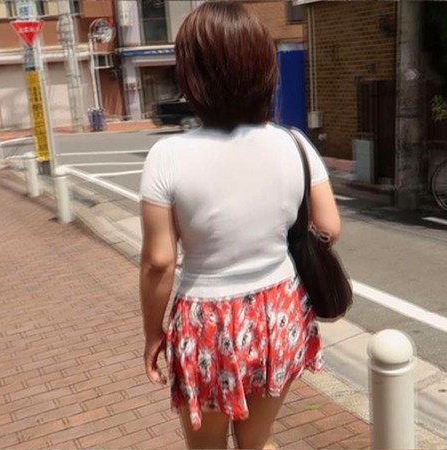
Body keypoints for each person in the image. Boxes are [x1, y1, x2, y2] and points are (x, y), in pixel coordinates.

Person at [138, 2, 341, 449]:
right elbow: (329, 226)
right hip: (280, 308)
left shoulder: (167, 156)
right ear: (262, 68)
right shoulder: (294, 143)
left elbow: (159, 262)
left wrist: (153, 334)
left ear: (191, 73)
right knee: (256, 442)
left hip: (206, 321)